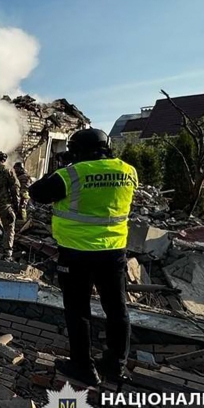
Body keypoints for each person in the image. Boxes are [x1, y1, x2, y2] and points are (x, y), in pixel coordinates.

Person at [28, 128, 137, 385]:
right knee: (117, 309)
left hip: (77, 253)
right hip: (113, 252)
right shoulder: (127, 171)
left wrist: (59, 168)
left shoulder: (71, 174)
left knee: (78, 311)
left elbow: (37, 193)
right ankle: (116, 365)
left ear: (77, 150)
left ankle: (83, 367)